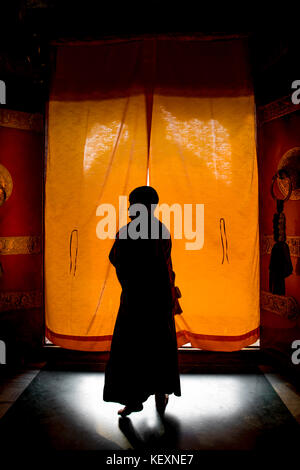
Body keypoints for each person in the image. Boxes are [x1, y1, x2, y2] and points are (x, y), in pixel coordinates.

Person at [103, 186, 181, 417]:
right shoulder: (161, 230)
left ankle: (133, 399)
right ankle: (161, 392)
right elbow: (167, 267)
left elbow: (116, 260)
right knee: (159, 347)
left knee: (131, 351)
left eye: (132, 203)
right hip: (158, 300)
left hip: (135, 300)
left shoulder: (128, 232)